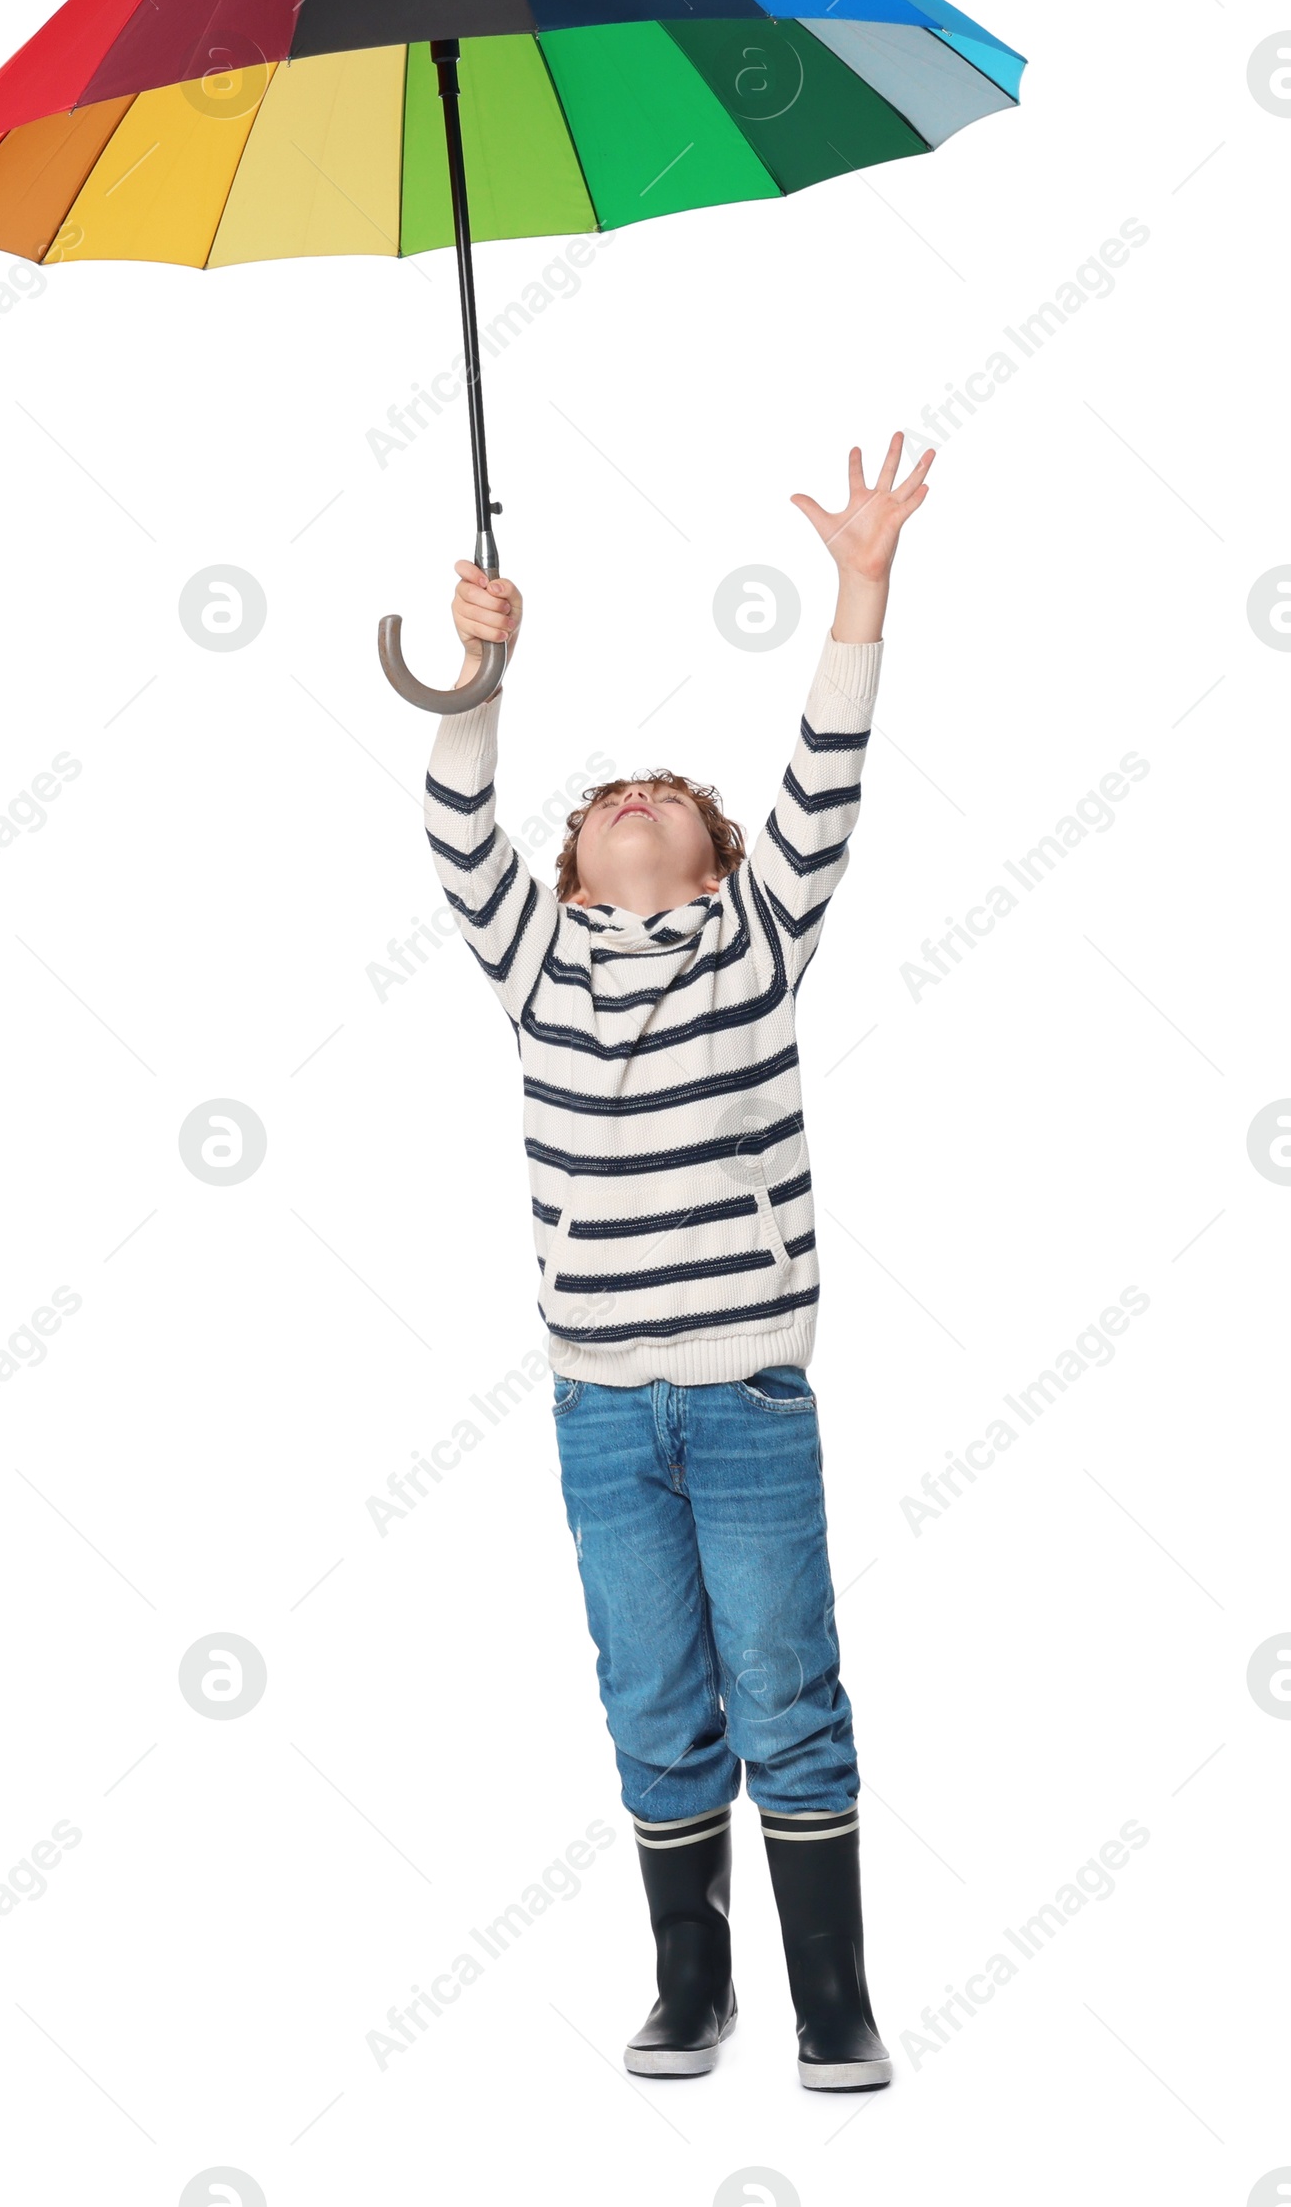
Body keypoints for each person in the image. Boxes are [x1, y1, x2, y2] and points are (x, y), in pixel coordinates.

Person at [420, 432, 934, 2090]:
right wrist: (479, 676)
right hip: (598, 1413)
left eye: (667, 800)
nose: (633, 798)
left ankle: (834, 1997)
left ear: (714, 866)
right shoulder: (535, 960)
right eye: (605, 805)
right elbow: (453, 819)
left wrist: (860, 585)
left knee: (787, 1681)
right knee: (652, 1692)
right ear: (569, 875)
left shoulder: (754, 939)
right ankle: (691, 1983)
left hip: (746, 1395)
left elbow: (826, 775)